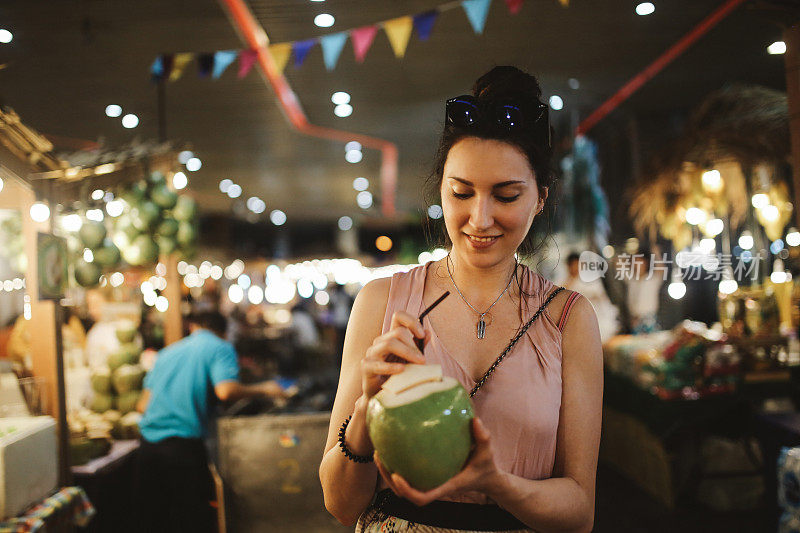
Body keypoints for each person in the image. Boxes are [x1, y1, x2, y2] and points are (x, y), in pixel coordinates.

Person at [319, 66, 603, 532]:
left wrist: (497, 483)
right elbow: (339, 502)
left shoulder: (568, 319)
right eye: (462, 193)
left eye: (507, 195)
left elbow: (579, 511)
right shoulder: (382, 302)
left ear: (540, 199)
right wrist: (366, 413)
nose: (480, 217)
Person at [136, 310, 288, 533]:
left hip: (147, 448)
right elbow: (225, 390)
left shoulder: (167, 353)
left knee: (155, 521)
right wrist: (265, 389)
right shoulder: (219, 347)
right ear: (223, 332)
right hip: (182, 447)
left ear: (193, 327)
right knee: (191, 520)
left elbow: (142, 405)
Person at [558, 252, 619, 341]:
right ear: (568, 266)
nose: (575, 268)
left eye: (577, 264)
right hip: (576, 323)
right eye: (572, 265)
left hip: (597, 319)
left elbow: (599, 294)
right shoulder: (565, 282)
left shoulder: (589, 279)